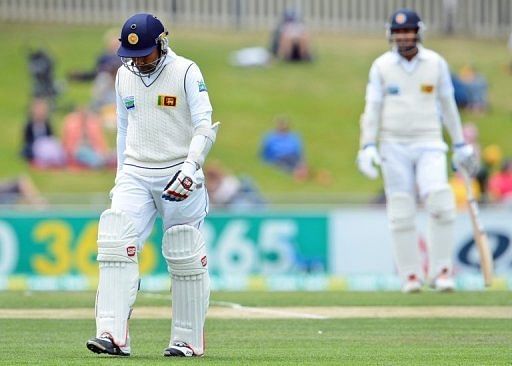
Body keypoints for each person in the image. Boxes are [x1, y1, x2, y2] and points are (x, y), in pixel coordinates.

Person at [85, 13, 219, 358]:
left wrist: (191, 167)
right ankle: (112, 335)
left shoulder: (186, 71)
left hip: (180, 170)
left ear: (162, 44)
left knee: (184, 250)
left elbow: (205, 125)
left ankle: (186, 341)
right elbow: (124, 130)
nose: (139, 61)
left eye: (145, 53)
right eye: (132, 56)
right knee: (115, 238)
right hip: (135, 170)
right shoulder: (123, 77)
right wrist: (120, 179)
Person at [356, 9, 478, 293]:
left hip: (429, 140)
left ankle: (442, 270)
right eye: (399, 32)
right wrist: (367, 145)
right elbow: (372, 109)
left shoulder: (435, 63)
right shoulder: (381, 66)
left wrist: (460, 143)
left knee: (440, 199)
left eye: (408, 31)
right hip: (393, 142)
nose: (404, 36)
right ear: (391, 34)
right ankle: (410, 275)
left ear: (418, 31)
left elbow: (449, 107)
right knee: (400, 208)